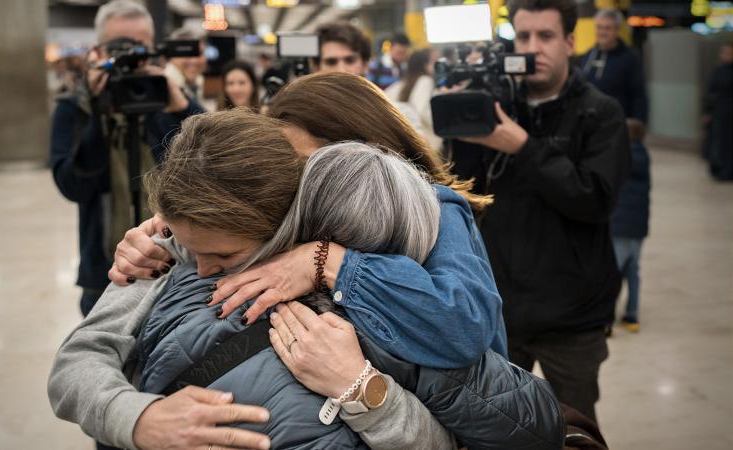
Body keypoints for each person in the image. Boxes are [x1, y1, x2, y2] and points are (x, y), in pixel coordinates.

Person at [51, 73, 519, 449]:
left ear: (362, 158)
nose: (289, 182)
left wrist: (328, 264)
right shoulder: (196, 234)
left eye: (305, 166)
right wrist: (138, 419)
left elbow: (466, 347)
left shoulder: (427, 212)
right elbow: (79, 361)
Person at [448, 0, 630, 423]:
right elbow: (465, 193)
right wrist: (463, 121)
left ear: (569, 42)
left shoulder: (600, 113)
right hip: (502, 311)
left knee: (574, 427)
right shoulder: (495, 108)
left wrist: (523, 148)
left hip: (575, 318)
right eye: (523, 36)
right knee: (502, 428)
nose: (533, 48)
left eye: (545, 36)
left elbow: (595, 199)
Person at [49, 0, 203, 317]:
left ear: (153, 50)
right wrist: (97, 109)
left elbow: (211, 168)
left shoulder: (165, 98)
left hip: (178, 264)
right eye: (118, 47)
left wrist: (181, 107)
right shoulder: (75, 107)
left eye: (137, 47)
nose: (128, 57)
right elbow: (71, 187)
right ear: (98, 52)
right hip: (105, 271)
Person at [580, 8, 651, 333]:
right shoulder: (588, 56)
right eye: (600, 27)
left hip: (617, 140)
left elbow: (639, 97)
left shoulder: (629, 59)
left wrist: (636, 130)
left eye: (609, 28)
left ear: (618, 30)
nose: (603, 32)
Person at [384, 47, 441, 151]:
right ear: (425, 65)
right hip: (426, 143)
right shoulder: (425, 81)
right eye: (434, 62)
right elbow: (422, 111)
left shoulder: (403, 83)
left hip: (406, 141)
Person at [703, 42, 733, 181]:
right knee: (717, 142)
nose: (725, 55)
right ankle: (718, 168)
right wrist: (707, 111)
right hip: (719, 112)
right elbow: (711, 91)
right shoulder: (718, 71)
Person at [163, 30, 213, 112]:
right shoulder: (163, 87)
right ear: (171, 56)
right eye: (187, 53)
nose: (194, 61)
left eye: (199, 53)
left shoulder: (198, 82)